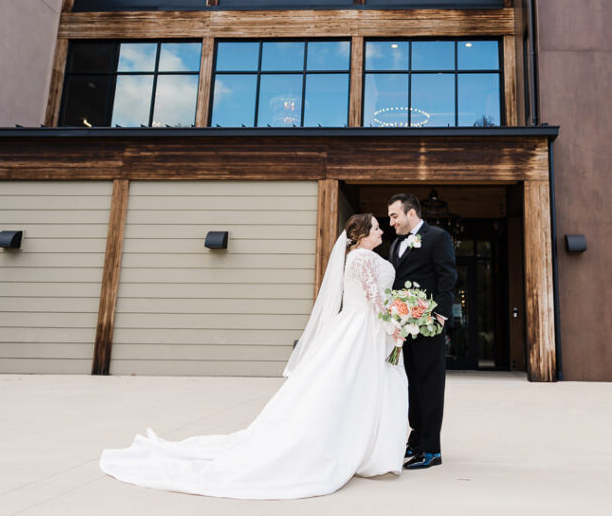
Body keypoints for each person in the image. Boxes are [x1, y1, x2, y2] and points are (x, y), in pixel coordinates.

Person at [99, 214, 407, 500]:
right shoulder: (363, 259)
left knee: (350, 387)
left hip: (358, 329)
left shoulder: (358, 257)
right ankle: (352, 445)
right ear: (362, 234)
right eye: (376, 228)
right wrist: (395, 324)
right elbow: (375, 301)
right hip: (361, 328)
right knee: (354, 386)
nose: (381, 231)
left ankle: (357, 442)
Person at [387, 193, 456, 470]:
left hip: (428, 324)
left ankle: (432, 450)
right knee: (412, 384)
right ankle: (416, 440)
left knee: (430, 385)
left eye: (394, 216)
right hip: (405, 326)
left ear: (411, 214)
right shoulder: (395, 244)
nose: (391, 222)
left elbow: (447, 277)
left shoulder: (437, 237)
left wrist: (438, 316)